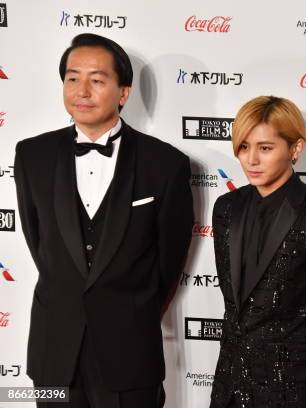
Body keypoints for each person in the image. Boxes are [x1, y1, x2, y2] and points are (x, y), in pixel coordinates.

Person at [14, 33, 193, 407]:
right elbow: (40, 244)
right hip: (54, 353)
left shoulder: (165, 164)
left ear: (123, 92)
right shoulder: (33, 156)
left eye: (96, 80)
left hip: (130, 353)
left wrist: (129, 310)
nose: (82, 90)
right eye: (72, 78)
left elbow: (169, 260)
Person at [210, 95, 306, 407]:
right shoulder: (225, 209)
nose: (251, 160)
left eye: (265, 148)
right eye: (244, 147)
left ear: (296, 148)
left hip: (292, 390)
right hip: (229, 387)